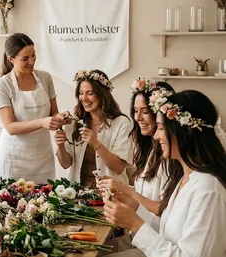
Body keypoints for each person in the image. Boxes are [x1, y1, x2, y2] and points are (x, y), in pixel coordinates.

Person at [103, 90, 226, 257]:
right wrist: (134, 206)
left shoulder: (208, 189)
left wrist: (135, 224)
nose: (155, 136)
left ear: (183, 131)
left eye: (160, 128)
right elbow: (166, 232)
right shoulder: (186, 179)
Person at [95, 79, 174, 254]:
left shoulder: (170, 158)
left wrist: (127, 191)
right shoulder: (150, 151)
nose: (137, 118)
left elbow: (164, 209)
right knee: (93, 250)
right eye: (136, 111)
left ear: (159, 114)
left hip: (158, 241)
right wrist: (121, 191)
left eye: (144, 112)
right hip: (141, 234)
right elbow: (145, 194)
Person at [0, 33, 63, 184]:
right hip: (13, 161)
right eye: (25, 58)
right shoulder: (2, 85)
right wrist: (42, 123)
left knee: (46, 205)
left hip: (42, 158)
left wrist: (61, 117)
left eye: (33, 55)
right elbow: (10, 127)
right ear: (11, 59)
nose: (31, 62)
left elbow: (54, 112)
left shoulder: (45, 78)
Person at [55, 69, 132, 187]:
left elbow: (118, 168)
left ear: (102, 95)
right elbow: (66, 164)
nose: (84, 98)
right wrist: (60, 146)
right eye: (81, 93)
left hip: (110, 193)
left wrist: (96, 144)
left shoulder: (121, 123)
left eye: (90, 93)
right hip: (78, 192)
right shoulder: (75, 122)